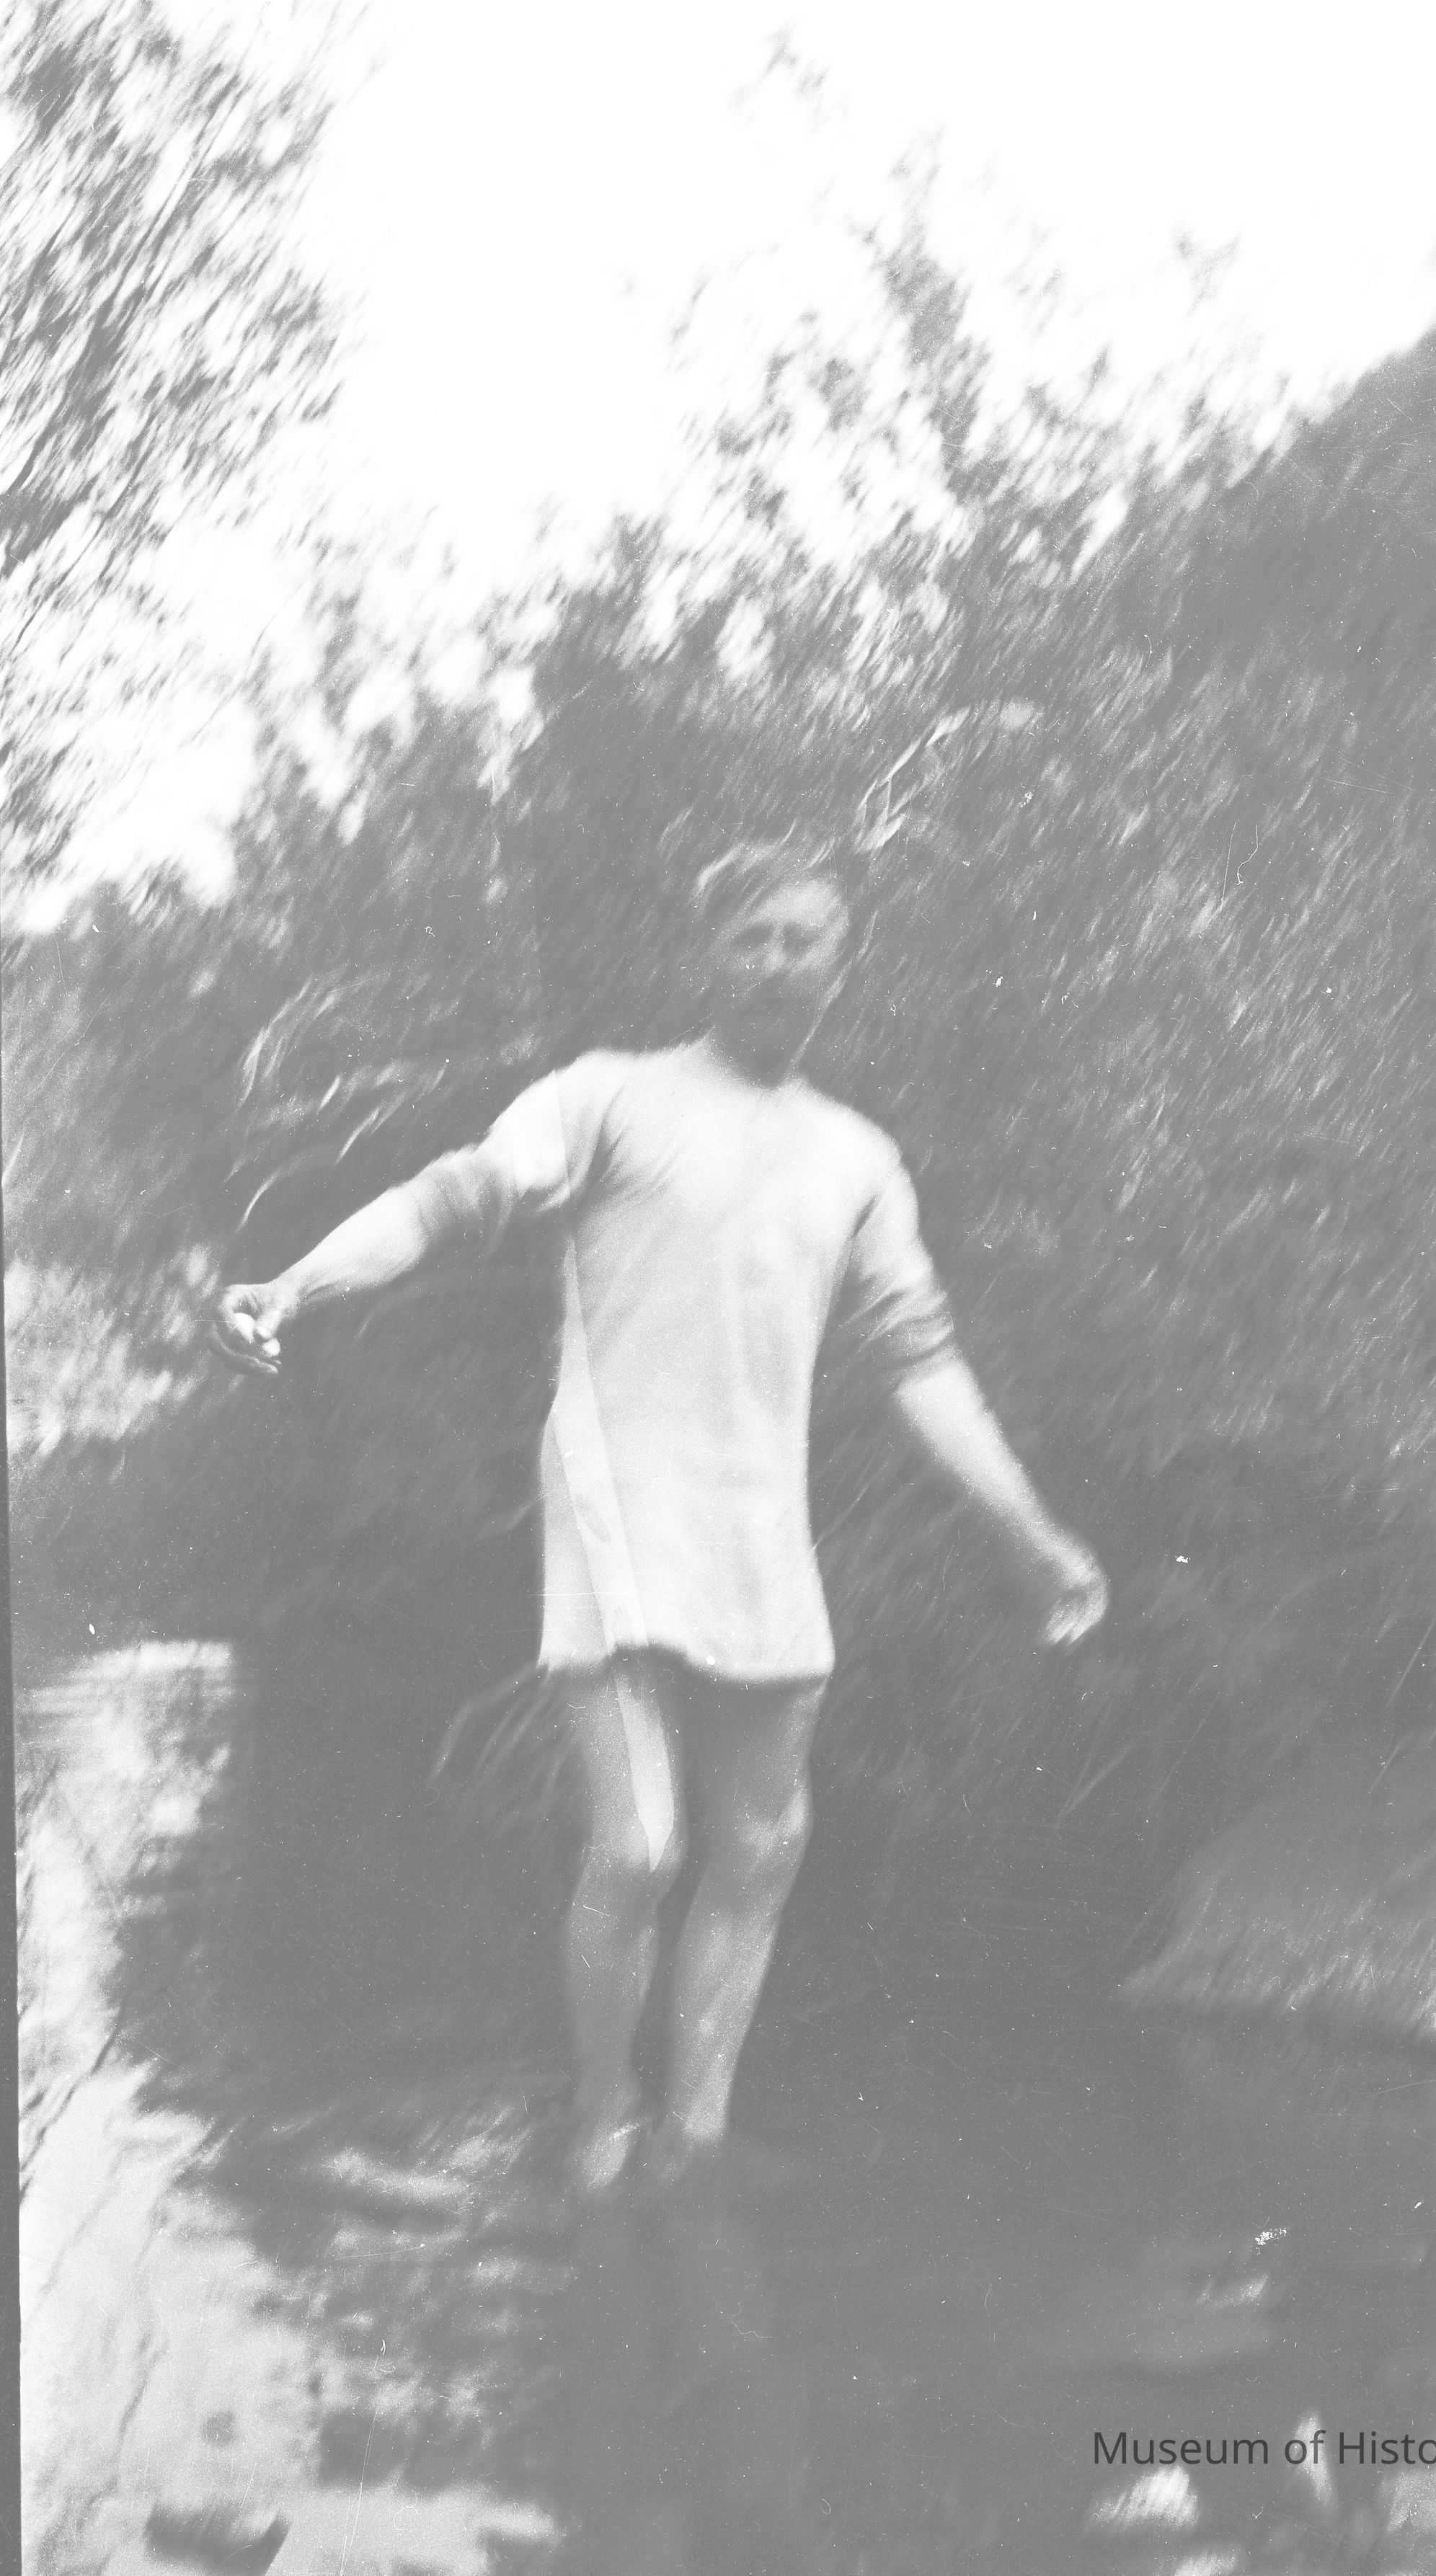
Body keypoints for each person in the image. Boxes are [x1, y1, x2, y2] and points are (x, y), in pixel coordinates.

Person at [213, 843, 1109, 2197]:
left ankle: (695, 2138)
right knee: (638, 1845)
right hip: (615, 1503)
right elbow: (447, 1197)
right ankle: (599, 2127)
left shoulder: (859, 1158)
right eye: (752, 936)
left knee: (764, 1846)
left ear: (842, 963)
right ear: (708, 955)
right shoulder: (609, 1096)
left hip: (756, 1522)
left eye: (804, 938)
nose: (778, 960)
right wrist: (295, 1284)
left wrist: (1030, 1535)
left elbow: (923, 1364)